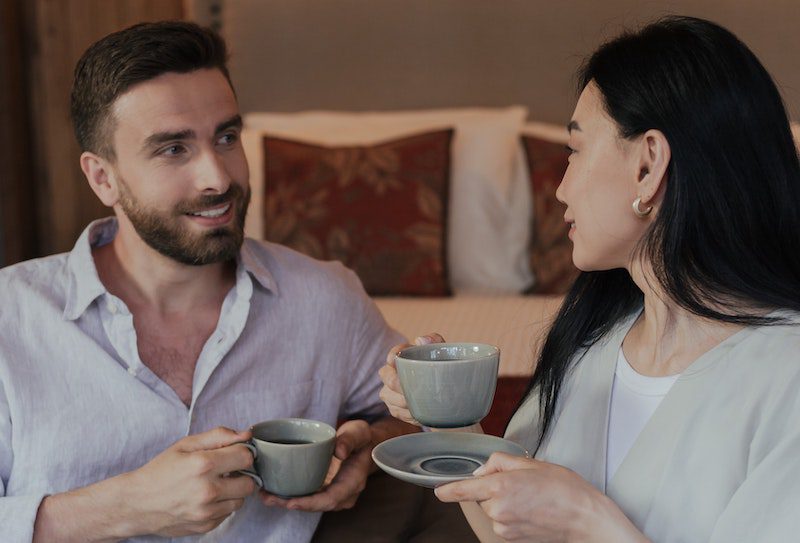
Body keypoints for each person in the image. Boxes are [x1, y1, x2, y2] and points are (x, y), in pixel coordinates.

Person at [379, 16, 800, 543]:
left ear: (648, 166)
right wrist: (451, 428)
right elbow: (509, 532)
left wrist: (586, 520)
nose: (560, 190)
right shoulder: (592, 344)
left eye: (574, 152)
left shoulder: (787, 381)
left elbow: (565, 522)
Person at [0, 21, 417, 542]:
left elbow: (407, 420)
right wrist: (127, 506)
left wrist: (366, 453)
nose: (218, 178)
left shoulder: (325, 298)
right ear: (102, 177)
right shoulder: (9, 317)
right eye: (173, 149)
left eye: (226, 137)